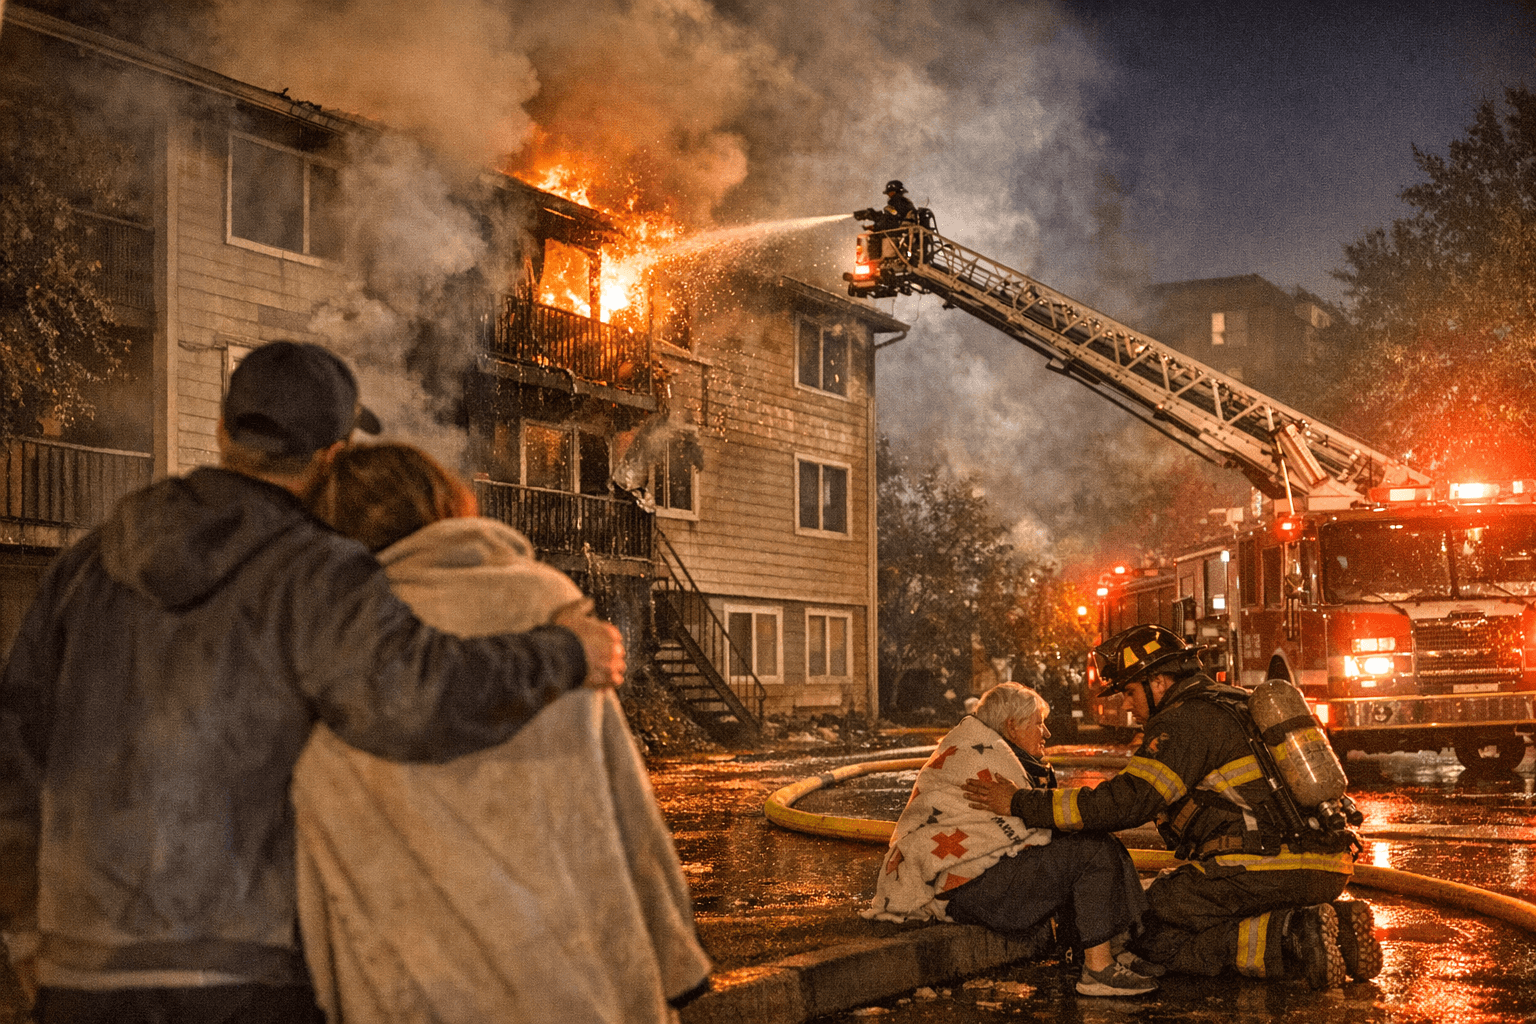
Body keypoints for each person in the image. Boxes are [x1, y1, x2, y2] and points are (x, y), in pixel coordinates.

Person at [0, 340, 626, 1024]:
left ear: (223, 430)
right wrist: (563, 652)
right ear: (333, 454)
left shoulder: (86, 566)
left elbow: (14, 752)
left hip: (81, 978)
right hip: (246, 976)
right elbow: (416, 697)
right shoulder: (317, 572)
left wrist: (28, 934)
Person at [293, 443, 711, 1022]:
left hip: (417, 996)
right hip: (582, 985)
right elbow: (628, 810)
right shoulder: (547, 607)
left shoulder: (330, 647)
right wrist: (675, 963)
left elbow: (314, 871)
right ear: (446, 503)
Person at [964, 625, 1384, 990]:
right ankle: (1334, 929)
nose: (1127, 705)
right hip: (1328, 863)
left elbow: (1125, 804)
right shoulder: (1235, 701)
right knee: (1195, 900)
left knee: (1146, 926)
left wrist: (1021, 802)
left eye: (1130, 691)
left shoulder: (1183, 721)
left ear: (1159, 682)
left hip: (1260, 868)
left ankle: (1291, 938)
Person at [865, 682, 1157, 998]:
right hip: (968, 891)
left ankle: (1113, 948)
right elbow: (1023, 829)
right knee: (1088, 850)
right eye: (1037, 724)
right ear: (1011, 727)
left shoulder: (1007, 758)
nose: (1046, 733)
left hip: (981, 884)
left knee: (1095, 841)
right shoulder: (982, 760)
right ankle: (1098, 971)